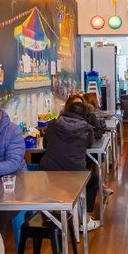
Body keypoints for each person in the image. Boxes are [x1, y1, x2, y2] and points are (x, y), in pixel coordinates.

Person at [40, 96, 101, 230]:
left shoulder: (52, 125)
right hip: (75, 173)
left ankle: (54, 212)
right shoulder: (87, 130)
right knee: (93, 180)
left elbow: (45, 145)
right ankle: (85, 220)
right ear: (84, 114)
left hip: (48, 172)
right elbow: (89, 146)